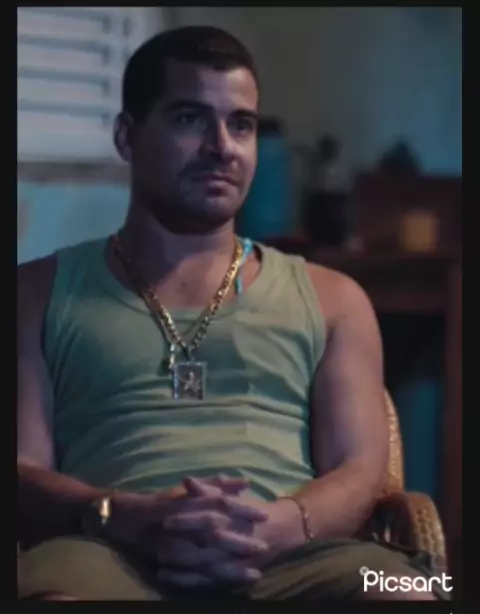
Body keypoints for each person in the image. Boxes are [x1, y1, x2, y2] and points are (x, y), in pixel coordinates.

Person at [17, 26, 448, 602]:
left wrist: (273, 529)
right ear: (127, 136)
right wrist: (127, 517)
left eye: (240, 124)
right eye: (190, 119)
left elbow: (360, 467)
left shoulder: (334, 298)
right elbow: (20, 470)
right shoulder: (35, 293)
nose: (222, 146)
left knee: (412, 589)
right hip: (105, 552)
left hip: (300, 554)